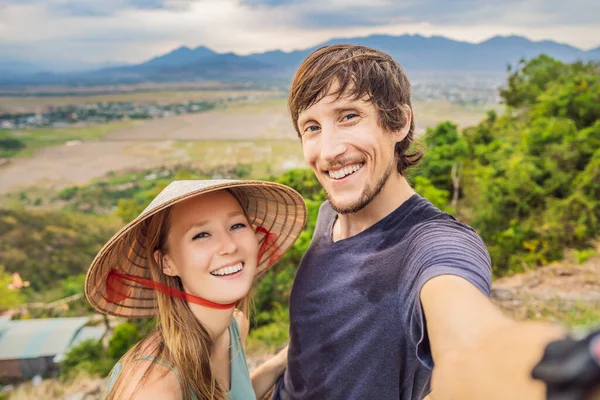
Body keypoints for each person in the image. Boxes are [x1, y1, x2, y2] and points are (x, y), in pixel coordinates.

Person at [272, 44, 567, 400]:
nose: (329, 150)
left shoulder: (432, 244)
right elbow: (317, 339)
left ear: (398, 121)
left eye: (349, 116)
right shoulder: (328, 216)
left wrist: (549, 371)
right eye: (312, 127)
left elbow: (471, 339)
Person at [84, 179, 307, 400]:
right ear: (166, 262)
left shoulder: (234, 327)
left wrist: (282, 361)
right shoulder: (153, 386)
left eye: (237, 225)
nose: (229, 246)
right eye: (201, 235)